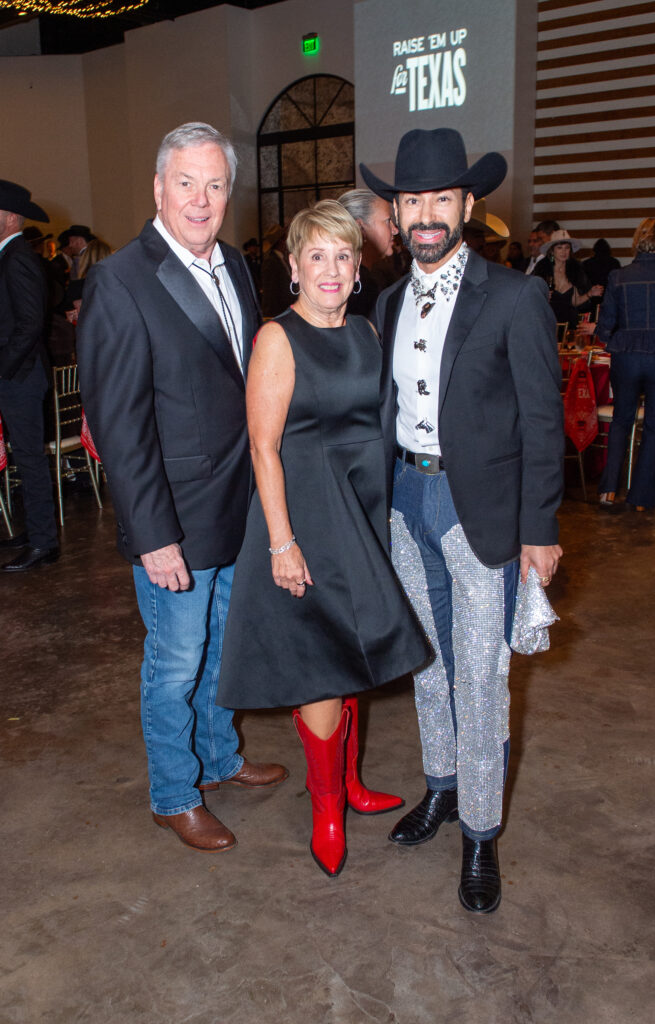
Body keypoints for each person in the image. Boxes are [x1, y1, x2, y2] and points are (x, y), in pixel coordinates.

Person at [361, 128, 564, 914]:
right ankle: (440, 789)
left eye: (441, 197)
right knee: (427, 665)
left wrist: (538, 529)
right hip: (405, 505)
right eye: (412, 199)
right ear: (397, 209)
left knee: (480, 678)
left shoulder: (514, 297)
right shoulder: (384, 297)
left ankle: (480, 833)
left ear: (467, 204)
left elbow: (543, 422)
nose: (426, 214)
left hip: (481, 514)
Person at [77, 122, 288, 854]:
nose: (201, 199)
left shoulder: (233, 264)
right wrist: (151, 534)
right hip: (174, 517)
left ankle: (219, 758)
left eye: (216, 184)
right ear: (159, 187)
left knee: (221, 650)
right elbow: (119, 423)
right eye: (187, 183)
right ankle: (173, 792)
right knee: (174, 661)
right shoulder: (120, 279)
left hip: (237, 507)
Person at [216, 201, 430, 877]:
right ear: (293, 268)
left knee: (354, 647)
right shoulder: (278, 339)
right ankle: (327, 804)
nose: (331, 269)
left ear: (357, 265)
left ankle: (353, 782)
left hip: (361, 512)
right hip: (304, 518)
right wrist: (281, 542)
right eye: (316, 256)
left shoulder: (367, 333)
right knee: (319, 660)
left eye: (343, 255)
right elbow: (263, 447)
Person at [597, 218, 655, 510]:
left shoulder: (618, 277)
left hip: (627, 355)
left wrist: (614, 338)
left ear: (637, 241)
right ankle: (642, 498)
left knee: (621, 420)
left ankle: (608, 490)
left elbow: (605, 326)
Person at [0, 180, 60, 572]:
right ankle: (36, 530)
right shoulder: (12, 255)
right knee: (25, 459)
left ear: (6, 218)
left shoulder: (18, 257)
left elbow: (29, 324)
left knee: (30, 460)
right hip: (17, 374)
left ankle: (44, 542)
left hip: (18, 376)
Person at [337, 188, 398, 316]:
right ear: (360, 228)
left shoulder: (354, 280)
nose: (395, 230)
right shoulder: (359, 287)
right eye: (388, 221)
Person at [533, 229, 603, 327]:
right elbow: (531, 298)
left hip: (569, 324)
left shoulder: (575, 270)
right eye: (559, 248)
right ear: (552, 251)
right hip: (547, 323)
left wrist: (590, 294)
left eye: (567, 248)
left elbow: (575, 302)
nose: (564, 251)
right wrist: (542, 297)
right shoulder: (542, 269)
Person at [260, 223, 291, 318]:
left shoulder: (282, 260)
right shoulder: (271, 262)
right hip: (278, 314)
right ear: (281, 241)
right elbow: (270, 293)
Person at [582, 238, 620, 302]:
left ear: (594, 250)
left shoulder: (586, 263)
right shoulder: (614, 263)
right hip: (609, 297)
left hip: (591, 297)